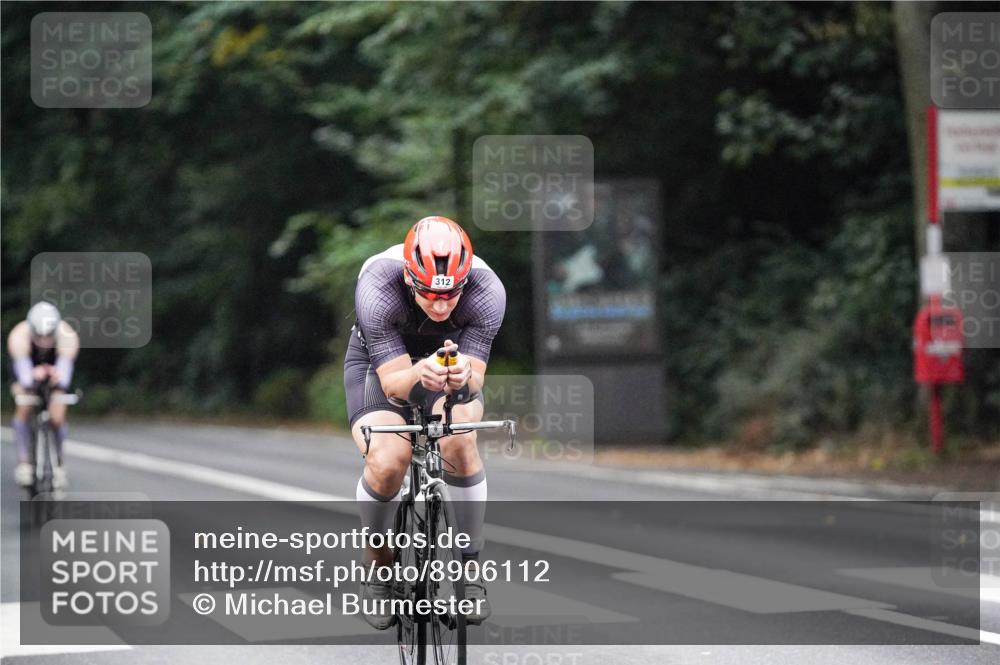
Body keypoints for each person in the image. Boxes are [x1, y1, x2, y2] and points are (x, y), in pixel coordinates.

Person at [345, 216, 506, 629]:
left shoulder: (487, 293)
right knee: (387, 461)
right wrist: (421, 373)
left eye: (450, 295)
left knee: (459, 441)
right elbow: (396, 384)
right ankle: (379, 560)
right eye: (429, 294)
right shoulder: (377, 289)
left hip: (449, 360)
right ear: (408, 277)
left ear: (465, 281)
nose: (439, 306)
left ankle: (470, 570)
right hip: (383, 364)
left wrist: (461, 377)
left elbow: (475, 381)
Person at [7, 301, 80, 489]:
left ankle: (60, 463)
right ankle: (24, 461)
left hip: (55, 366)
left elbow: (64, 375)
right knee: (24, 405)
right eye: (40, 335)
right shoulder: (19, 336)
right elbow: (23, 375)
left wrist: (56, 376)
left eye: (49, 336)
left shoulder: (67, 336)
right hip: (27, 366)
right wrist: (33, 375)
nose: (45, 340)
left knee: (57, 415)